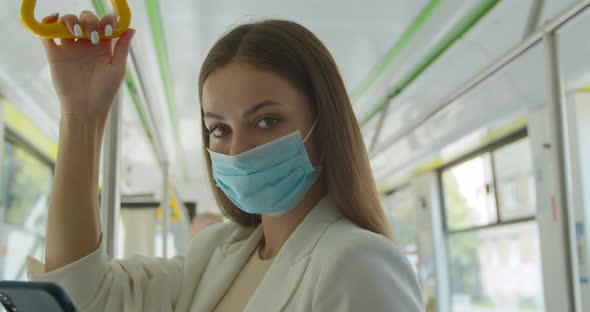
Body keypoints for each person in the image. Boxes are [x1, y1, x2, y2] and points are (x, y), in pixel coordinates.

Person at [26, 11, 424, 312]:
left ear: (324, 125)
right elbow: (78, 298)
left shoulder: (358, 262)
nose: (237, 151)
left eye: (267, 121)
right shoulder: (219, 252)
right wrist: (81, 115)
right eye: (219, 129)